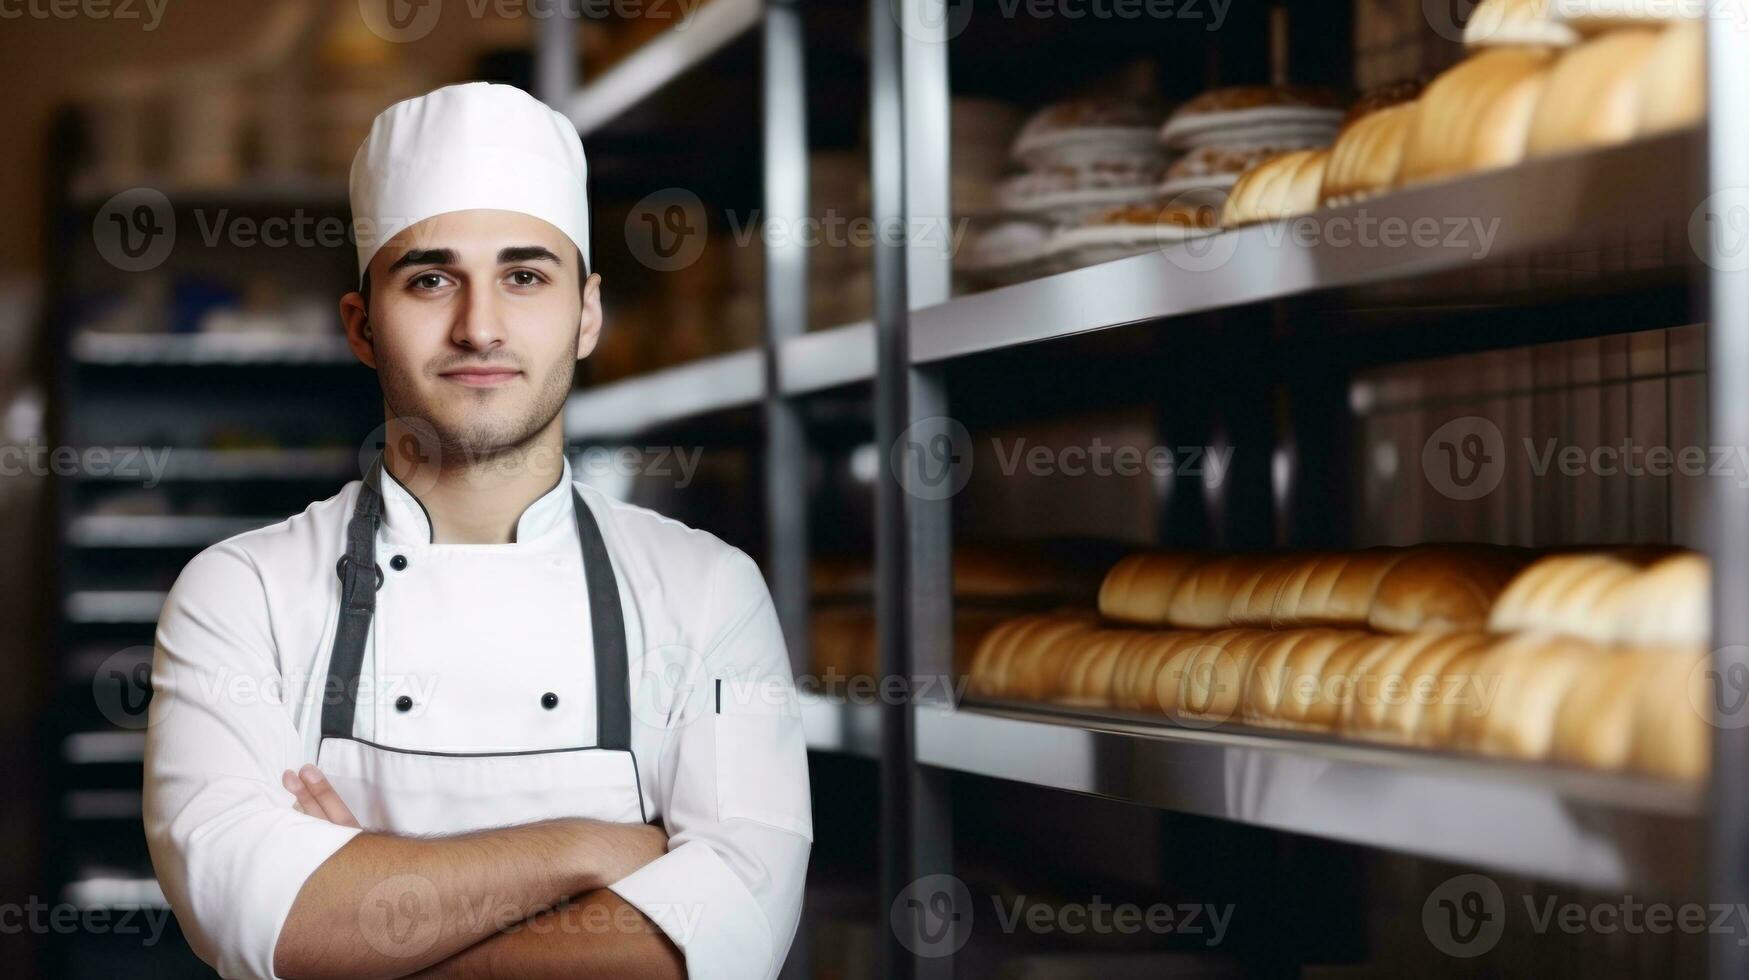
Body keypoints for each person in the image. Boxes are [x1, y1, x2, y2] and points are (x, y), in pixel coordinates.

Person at [142, 82, 812, 980]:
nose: (480, 326)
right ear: (362, 326)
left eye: (525, 276)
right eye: (429, 279)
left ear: (586, 314)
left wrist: (369, 929)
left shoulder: (705, 591)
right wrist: (590, 849)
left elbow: (729, 932)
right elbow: (264, 917)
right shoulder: (242, 593)